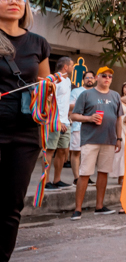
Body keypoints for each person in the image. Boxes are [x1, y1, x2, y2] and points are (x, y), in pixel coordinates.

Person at [0, 0, 50, 262]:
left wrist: (55, 86)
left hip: (25, 135)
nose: (13, 1)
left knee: (9, 209)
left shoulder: (38, 43)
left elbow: (44, 84)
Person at [70, 67, 122, 219]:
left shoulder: (115, 95)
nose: (107, 78)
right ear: (97, 77)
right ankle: (77, 209)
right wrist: (89, 118)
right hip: (90, 139)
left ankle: (99, 206)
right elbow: (74, 115)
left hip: (109, 139)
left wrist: (119, 138)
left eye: (110, 76)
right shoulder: (86, 94)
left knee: (104, 172)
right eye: (104, 75)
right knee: (85, 173)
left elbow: (118, 118)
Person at [43, 55, 74, 190]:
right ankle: (46, 181)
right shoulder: (54, 80)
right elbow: (48, 102)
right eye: (72, 65)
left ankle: (57, 180)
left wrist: (67, 117)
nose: (73, 68)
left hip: (65, 121)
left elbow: (63, 102)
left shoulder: (67, 81)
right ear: (66, 67)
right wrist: (57, 120)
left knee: (62, 151)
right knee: (50, 150)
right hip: (54, 121)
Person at [69, 69, 95, 184]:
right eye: (87, 78)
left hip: (93, 127)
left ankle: (85, 176)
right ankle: (76, 178)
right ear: (83, 80)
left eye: (91, 77)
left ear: (95, 79)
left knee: (88, 153)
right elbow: (70, 106)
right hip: (78, 126)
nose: (89, 79)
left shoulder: (97, 92)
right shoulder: (76, 91)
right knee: (76, 152)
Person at [111, 80, 126, 185]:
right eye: (125, 87)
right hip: (120, 128)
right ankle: (121, 175)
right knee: (122, 151)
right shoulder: (118, 100)